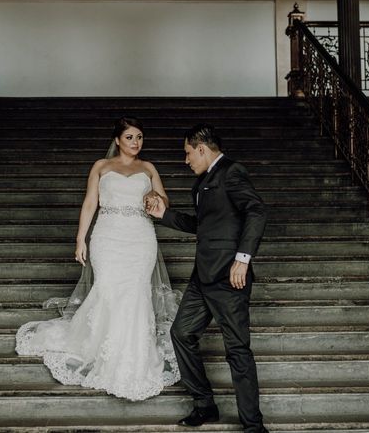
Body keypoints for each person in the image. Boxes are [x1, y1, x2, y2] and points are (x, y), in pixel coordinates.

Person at [15, 117, 182, 401]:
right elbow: (90, 202)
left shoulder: (148, 168)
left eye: (140, 137)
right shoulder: (101, 167)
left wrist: (157, 200)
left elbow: (164, 201)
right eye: (130, 137)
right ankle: (102, 348)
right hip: (108, 237)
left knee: (135, 292)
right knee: (107, 289)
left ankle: (134, 355)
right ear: (117, 140)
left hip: (140, 238)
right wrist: (81, 238)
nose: (136, 143)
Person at [145, 124, 268, 433]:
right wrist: (164, 216)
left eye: (188, 153)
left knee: (237, 350)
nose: (186, 160)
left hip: (229, 277)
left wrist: (242, 259)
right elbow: (204, 225)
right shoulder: (201, 183)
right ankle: (205, 404)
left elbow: (256, 211)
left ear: (202, 148)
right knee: (181, 333)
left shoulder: (231, 171)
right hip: (202, 277)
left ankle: (253, 426)